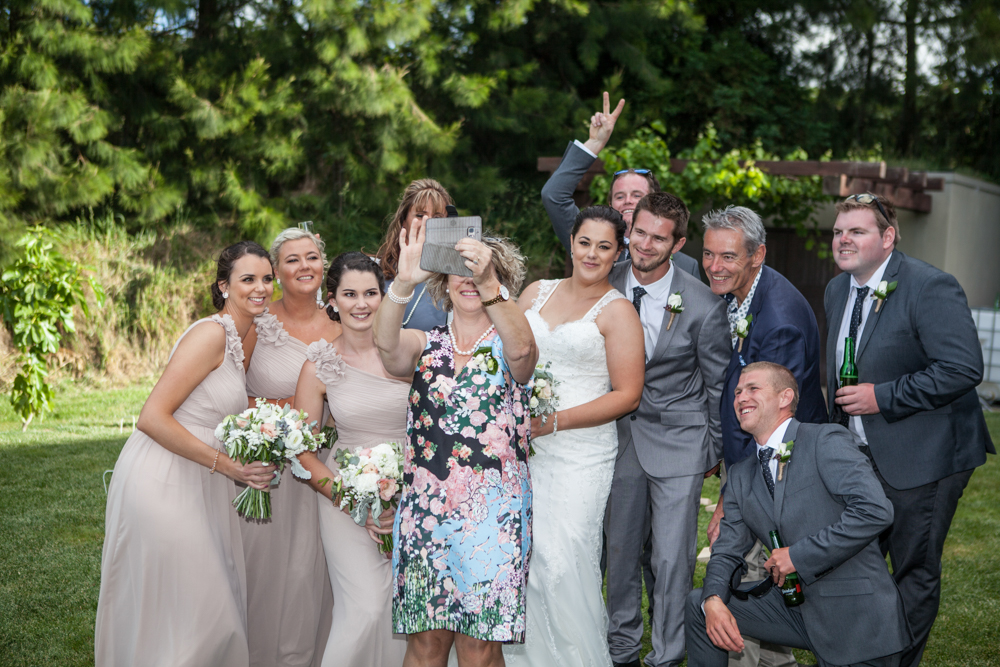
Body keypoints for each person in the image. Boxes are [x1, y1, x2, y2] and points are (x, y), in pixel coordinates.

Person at [824, 193, 994, 667]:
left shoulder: (929, 285)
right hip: (859, 454)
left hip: (926, 454)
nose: (843, 240)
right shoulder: (837, 290)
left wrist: (882, 397)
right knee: (852, 563)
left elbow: (962, 368)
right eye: (838, 231)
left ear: (888, 237)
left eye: (856, 231)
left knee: (912, 571)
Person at [95, 242, 279, 666]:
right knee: (205, 612)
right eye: (248, 279)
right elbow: (151, 417)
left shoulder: (242, 334)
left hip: (199, 479)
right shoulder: (210, 334)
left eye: (267, 279)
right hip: (162, 477)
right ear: (224, 286)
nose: (261, 288)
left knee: (192, 610)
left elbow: (226, 403)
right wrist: (228, 465)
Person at [373, 224, 538, 667]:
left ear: (500, 281)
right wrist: (402, 282)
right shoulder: (427, 343)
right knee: (425, 645)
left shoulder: (510, 344)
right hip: (425, 515)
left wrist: (488, 281)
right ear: (444, 283)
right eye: (459, 270)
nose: (469, 279)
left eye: (479, 270)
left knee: (479, 650)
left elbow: (523, 354)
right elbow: (386, 346)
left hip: (493, 517)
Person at [686, 362, 911, 667]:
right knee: (699, 604)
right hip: (793, 608)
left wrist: (798, 555)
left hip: (856, 614)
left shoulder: (824, 440)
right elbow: (727, 550)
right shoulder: (740, 475)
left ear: (785, 397)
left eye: (753, 388)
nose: (741, 398)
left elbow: (875, 511)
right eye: (737, 392)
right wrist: (713, 598)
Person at [503, 206, 644, 666]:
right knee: (517, 554)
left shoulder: (619, 312)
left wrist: (555, 422)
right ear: (570, 242)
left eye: (604, 246)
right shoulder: (534, 292)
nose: (592, 254)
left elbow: (628, 394)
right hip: (520, 446)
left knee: (562, 560)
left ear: (618, 254)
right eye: (585, 242)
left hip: (580, 452)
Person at [604, 192, 730, 667]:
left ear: (677, 245)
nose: (645, 244)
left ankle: (667, 655)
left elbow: (718, 385)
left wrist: (711, 451)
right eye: (639, 232)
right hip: (617, 440)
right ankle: (621, 649)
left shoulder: (703, 303)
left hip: (681, 443)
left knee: (672, 560)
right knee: (619, 552)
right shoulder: (604, 282)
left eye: (658, 238)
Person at [700, 205, 827, 667]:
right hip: (753, 460)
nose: (714, 266)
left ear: (757, 255)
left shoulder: (779, 318)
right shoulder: (744, 292)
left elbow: (768, 421)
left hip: (778, 469)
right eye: (708, 254)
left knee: (745, 578)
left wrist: (730, 499)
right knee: (761, 575)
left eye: (728, 256)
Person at [294, 252, 410, 667]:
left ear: (385, 296)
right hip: (344, 495)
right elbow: (302, 452)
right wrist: (354, 501)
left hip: (415, 491)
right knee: (367, 608)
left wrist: (400, 496)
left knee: (406, 607)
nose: (361, 304)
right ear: (332, 300)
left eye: (370, 293)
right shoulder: (318, 365)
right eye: (349, 294)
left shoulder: (411, 349)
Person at [241, 228, 340, 667]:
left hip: (321, 468)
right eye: (292, 259)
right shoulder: (256, 323)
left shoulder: (343, 323)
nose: (304, 266)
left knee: (308, 573)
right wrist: (278, 414)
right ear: (276, 272)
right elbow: (229, 391)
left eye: (312, 257)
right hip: (266, 468)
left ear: (323, 264)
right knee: (263, 572)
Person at [541, 91, 700, 277]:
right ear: (610, 205)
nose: (628, 200)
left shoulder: (686, 266)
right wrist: (595, 142)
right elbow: (553, 195)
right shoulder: (590, 243)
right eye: (620, 196)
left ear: (654, 202)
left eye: (637, 195)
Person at [376, 178, 454, 330]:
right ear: (403, 221)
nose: (428, 222)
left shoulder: (455, 279)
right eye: (420, 215)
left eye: (437, 217)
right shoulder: (372, 271)